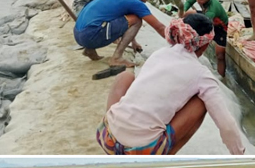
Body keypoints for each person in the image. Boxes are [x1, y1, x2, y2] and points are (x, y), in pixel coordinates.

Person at [97, 13, 246, 155]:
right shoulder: (202, 75)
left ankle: (117, 125)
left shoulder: (159, 54)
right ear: (204, 46)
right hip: (143, 150)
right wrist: (239, 154)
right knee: (201, 102)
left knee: (125, 76)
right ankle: (166, 155)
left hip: (106, 136)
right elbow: (226, 125)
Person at [74, 0, 167, 68]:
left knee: (106, 19)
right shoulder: (135, 2)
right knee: (137, 20)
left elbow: (125, 22)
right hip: (89, 36)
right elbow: (159, 27)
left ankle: (89, 50)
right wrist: (177, 42)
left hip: (78, 34)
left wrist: (133, 42)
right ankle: (117, 58)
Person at [180, 0, 231, 77]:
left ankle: (221, 77)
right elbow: (188, 2)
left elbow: (205, 22)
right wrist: (183, 12)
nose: (198, 1)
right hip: (206, 16)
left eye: (201, 0)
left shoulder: (213, 8)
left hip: (220, 26)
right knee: (189, 13)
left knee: (220, 55)